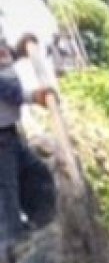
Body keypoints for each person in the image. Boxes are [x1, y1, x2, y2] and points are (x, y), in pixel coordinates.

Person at [0, 25, 57, 245]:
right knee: (7, 208)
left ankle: (44, 236)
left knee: (38, 177)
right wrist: (33, 96)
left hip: (10, 136)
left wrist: (17, 52)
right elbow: (4, 86)